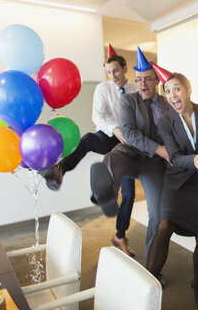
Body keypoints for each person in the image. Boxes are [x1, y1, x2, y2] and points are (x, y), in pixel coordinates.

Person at [41, 49, 137, 257]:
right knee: (88, 139)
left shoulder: (136, 90)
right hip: (109, 136)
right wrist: (115, 129)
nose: (113, 76)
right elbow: (97, 117)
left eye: (116, 71)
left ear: (125, 69)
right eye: (109, 73)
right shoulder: (103, 89)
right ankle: (60, 169)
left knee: (129, 194)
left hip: (129, 145)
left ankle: (120, 235)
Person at [90, 47, 171, 260]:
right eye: (139, 79)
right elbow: (128, 132)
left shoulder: (167, 104)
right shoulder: (128, 100)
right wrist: (159, 148)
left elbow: (173, 132)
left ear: (157, 81)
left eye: (147, 79)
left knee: (157, 214)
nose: (142, 84)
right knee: (112, 158)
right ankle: (106, 193)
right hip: (130, 152)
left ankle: (153, 264)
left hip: (153, 164)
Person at [145, 67, 198, 308]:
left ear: (188, 90)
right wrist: (195, 159)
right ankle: (147, 281)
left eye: (177, 89)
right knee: (164, 226)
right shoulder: (165, 120)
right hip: (176, 181)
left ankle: (197, 283)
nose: (172, 95)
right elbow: (173, 155)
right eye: (168, 91)